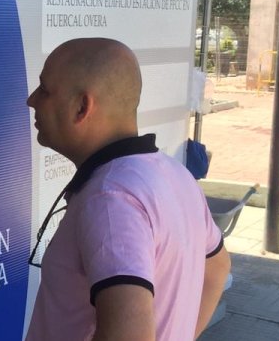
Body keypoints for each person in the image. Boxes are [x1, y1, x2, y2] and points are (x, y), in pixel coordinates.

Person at [25, 37, 230, 341]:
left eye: (45, 89)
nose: (32, 100)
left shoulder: (110, 199)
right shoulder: (174, 173)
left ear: (82, 106)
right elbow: (217, 269)